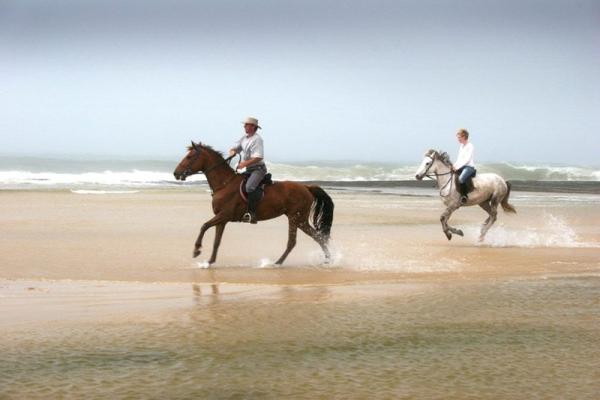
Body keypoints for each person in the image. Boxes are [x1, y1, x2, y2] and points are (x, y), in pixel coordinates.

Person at [229, 116, 267, 224]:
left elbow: (258, 157)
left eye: (247, 124)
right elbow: (234, 148)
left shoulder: (257, 139)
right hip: (249, 169)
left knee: (249, 187)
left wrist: (244, 164)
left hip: (258, 169)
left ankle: (252, 214)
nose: (244, 126)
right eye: (245, 124)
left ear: (253, 127)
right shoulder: (244, 138)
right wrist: (233, 152)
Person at [451, 128, 476, 204]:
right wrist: (453, 166)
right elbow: (459, 159)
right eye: (458, 137)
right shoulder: (461, 146)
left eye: (459, 137)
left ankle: (464, 196)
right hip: (462, 166)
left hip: (469, 167)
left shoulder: (470, 146)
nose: (458, 139)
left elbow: (467, 160)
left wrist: (457, 167)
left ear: (464, 136)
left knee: (461, 179)